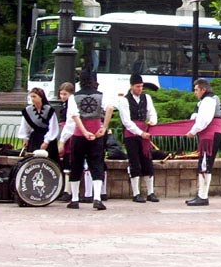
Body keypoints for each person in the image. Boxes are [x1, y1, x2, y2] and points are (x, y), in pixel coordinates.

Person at [65, 74, 114, 209]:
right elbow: (110, 108)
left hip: (79, 135)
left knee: (76, 165)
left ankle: (74, 199)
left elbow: (75, 115)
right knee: (97, 164)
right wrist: (104, 128)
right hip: (97, 135)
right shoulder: (101, 95)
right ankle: (97, 197)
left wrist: (84, 131)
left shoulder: (73, 97)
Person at [119, 73, 159, 203]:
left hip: (144, 133)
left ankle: (150, 192)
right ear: (131, 86)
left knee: (147, 160)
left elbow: (152, 112)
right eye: (137, 86)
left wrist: (152, 121)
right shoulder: (124, 100)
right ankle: (136, 193)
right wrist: (140, 132)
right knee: (134, 161)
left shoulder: (146, 97)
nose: (140, 89)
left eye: (141, 86)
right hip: (131, 134)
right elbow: (126, 121)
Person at [185, 78, 221, 206]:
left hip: (210, 136)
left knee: (204, 165)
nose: (195, 92)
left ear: (204, 89)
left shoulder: (208, 100)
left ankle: (202, 196)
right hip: (212, 135)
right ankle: (201, 194)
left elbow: (204, 120)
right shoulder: (210, 99)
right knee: (205, 164)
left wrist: (193, 131)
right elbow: (198, 117)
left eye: (196, 90)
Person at [16, 88, 59, 159]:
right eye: (31, 97)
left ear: (41, 97)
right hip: (35, 139)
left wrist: (46, 142)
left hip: (48, 138)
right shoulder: (28, 111)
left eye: (34, 96)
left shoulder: (49, 110)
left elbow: (53, 127)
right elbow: (25, 126)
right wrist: (25, 138)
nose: (32, 99)